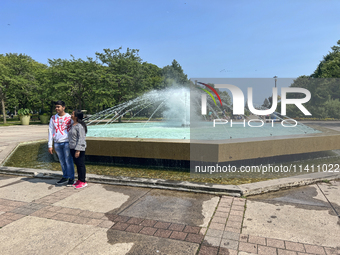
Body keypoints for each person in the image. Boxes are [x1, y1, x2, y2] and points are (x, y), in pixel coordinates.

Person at [48, 101, 75, 185]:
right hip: (57, 143)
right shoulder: (53, 118)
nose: (56, 108)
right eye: (56, 107)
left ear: (63, 107)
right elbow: (50, 131)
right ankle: (65, 176)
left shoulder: (69, 117)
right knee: (62, 161)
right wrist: (50, 145)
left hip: (66, 142)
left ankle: (71, 178)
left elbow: (75, 128)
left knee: (68, 160)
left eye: (58, 107)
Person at [69, 110, 88, 189]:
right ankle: (79, 180)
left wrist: (78, 150)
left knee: (81, 165)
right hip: (72, 148)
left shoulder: (80, 126)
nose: (71, 115)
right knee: (77, 165)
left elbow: (81, 138)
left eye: (72, 114)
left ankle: (83, 181)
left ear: (76, 116)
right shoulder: (73, 124)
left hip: (78, 149)